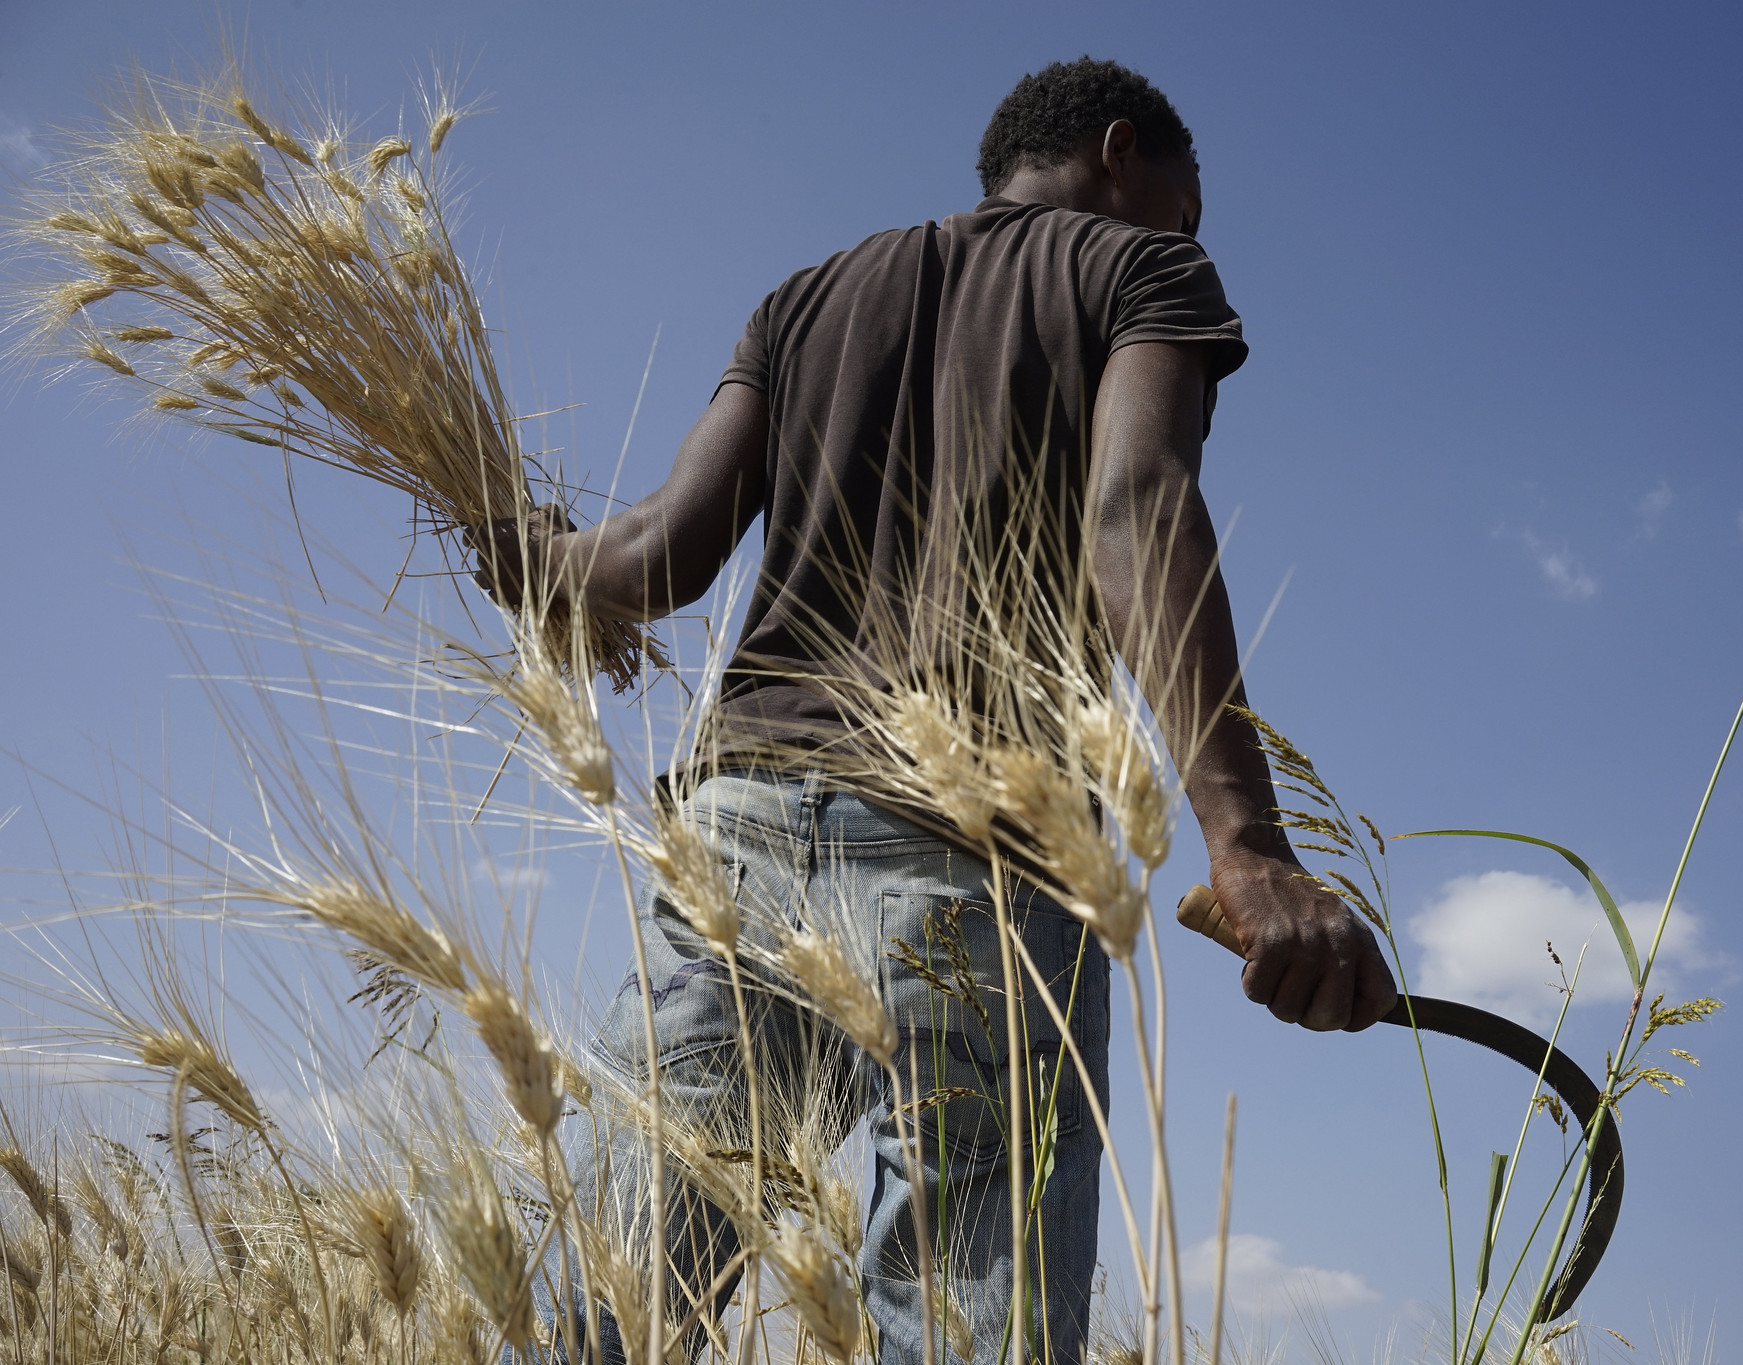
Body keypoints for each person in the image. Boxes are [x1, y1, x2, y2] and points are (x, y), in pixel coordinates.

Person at [477, 56, 1397, 1365]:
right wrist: (1244, 840)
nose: (1191, 238)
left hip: (736, 850)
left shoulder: (801, 302)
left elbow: (654, 558)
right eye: (1185, 207)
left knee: (607, 1317)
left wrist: (528, 554)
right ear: (1119, 154)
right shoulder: (1141, 271)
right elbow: (1133, 511)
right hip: (976, 866)